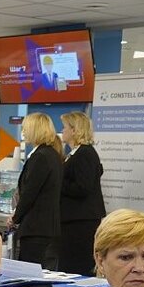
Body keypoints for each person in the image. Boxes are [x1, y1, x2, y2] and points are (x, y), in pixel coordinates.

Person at [9, 113, 62, 269]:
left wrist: (15, 217)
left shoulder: (41, 157)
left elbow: (30, 193)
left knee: (30, 273)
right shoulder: (52, 155)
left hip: (36, 227)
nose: (23, 133)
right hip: (45, 226)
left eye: (26, 129)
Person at [58, 111, 106, 276]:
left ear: (74, 130)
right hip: (74, 219)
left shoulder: (84, 153)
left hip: (80, 221)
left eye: (65, 127)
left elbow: (82, 187)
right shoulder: (75, 153)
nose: (62, 131)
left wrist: (58, 182)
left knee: (76, 266)